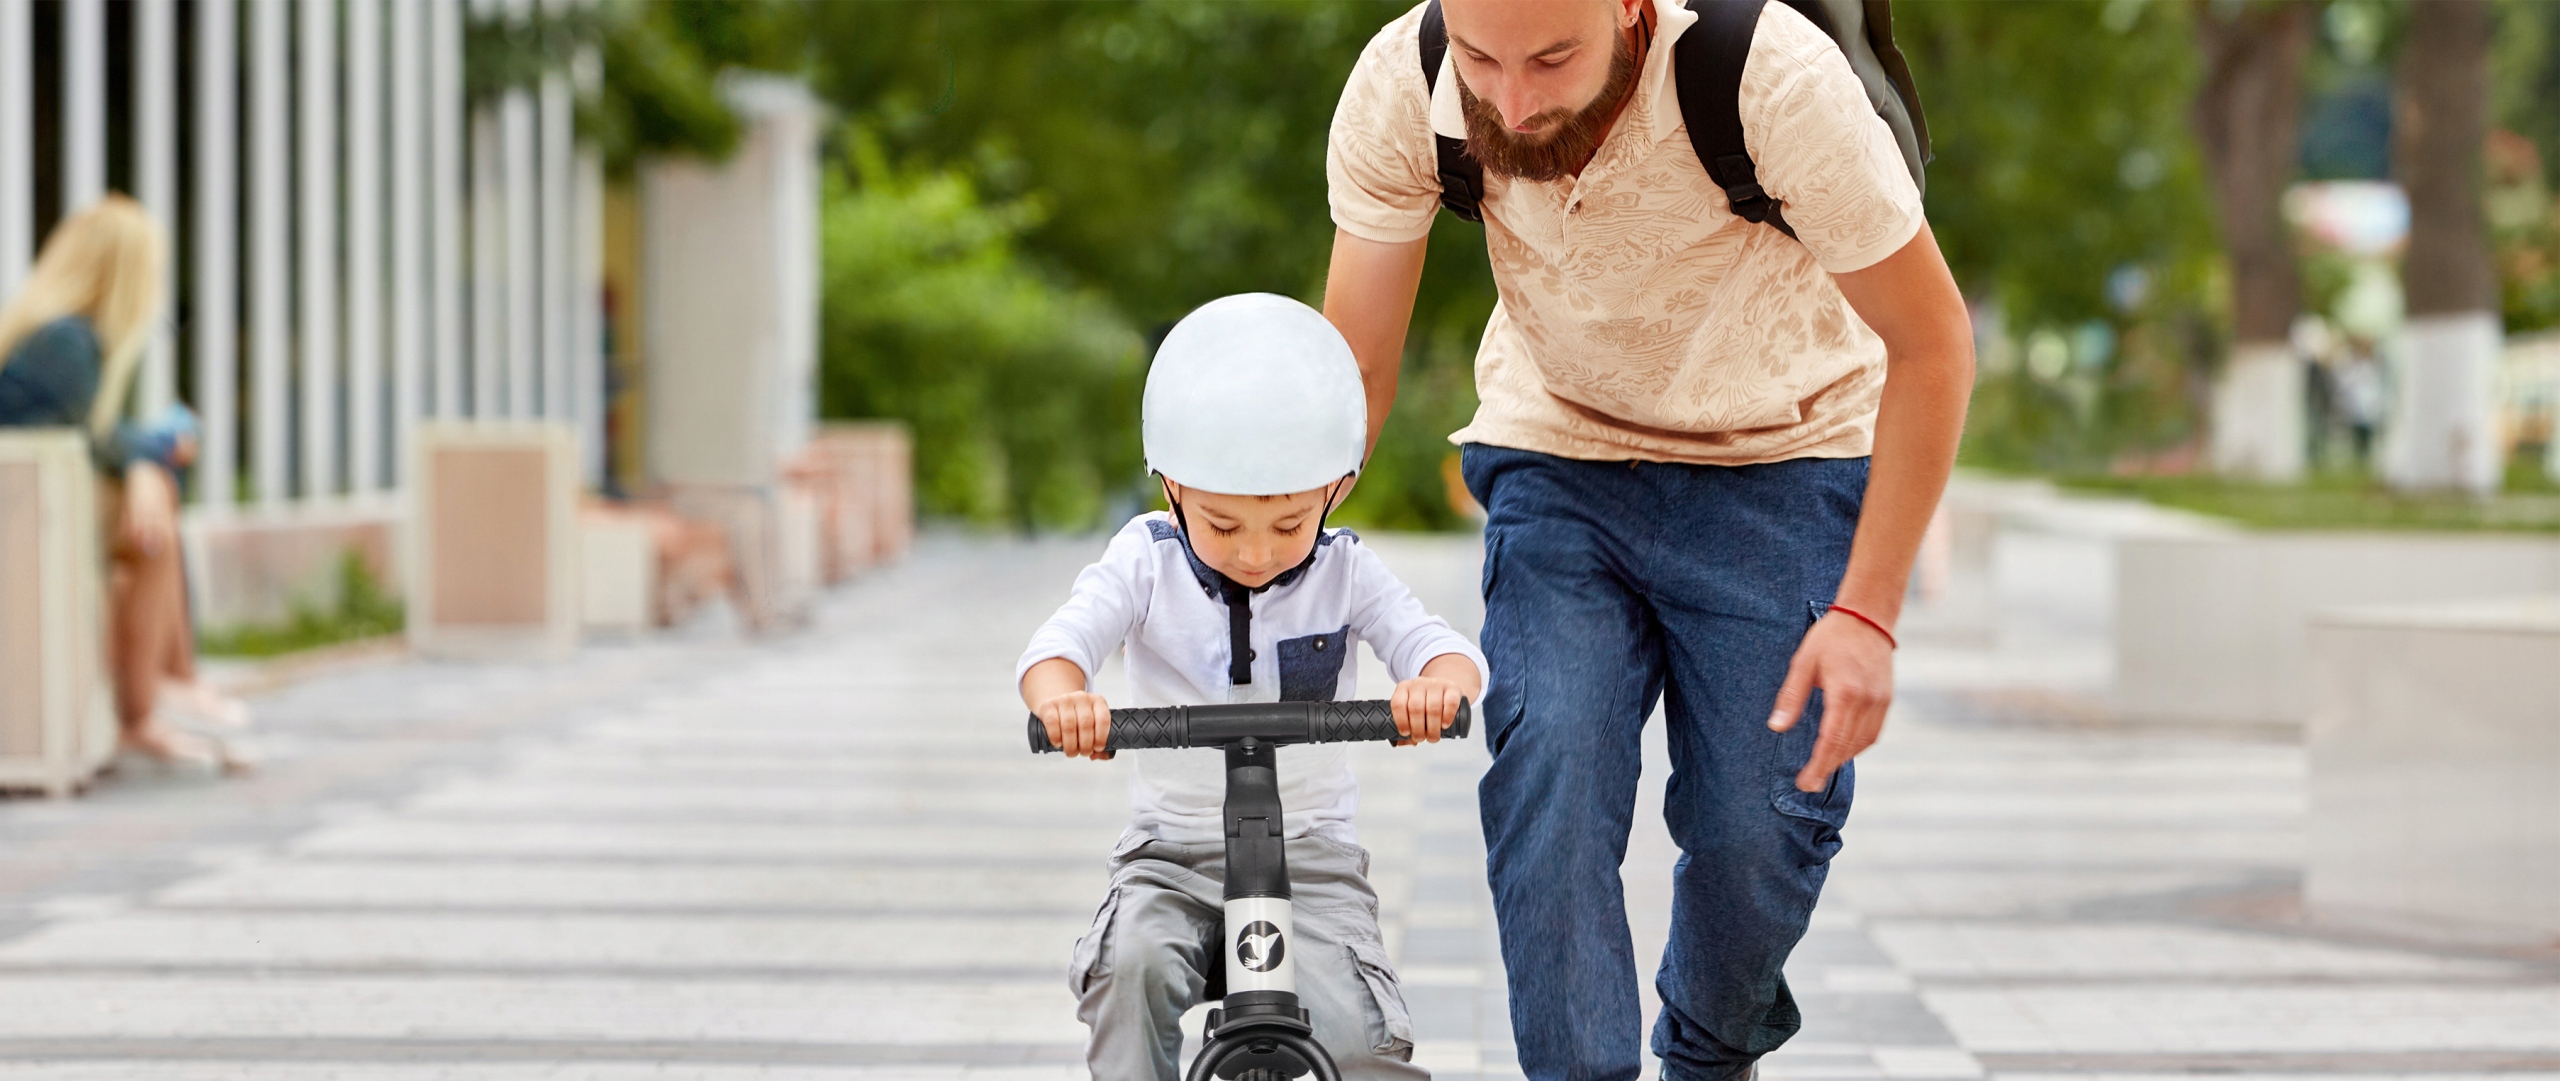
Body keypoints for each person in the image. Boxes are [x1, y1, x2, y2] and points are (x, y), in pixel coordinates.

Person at [1322, 1, 1975, 1077]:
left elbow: (1933, 342)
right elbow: (1354, 373)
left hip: (1784, 457)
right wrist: (1254, 568)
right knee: (1553, 768)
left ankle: (1710, 1051)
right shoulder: (1407, 79)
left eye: (1551, 59)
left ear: (1628, 10)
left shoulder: (1768, 79)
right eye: (1483, 58)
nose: (1514, 101)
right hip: (1559, 455)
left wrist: (1867, 612)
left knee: (1758, 834)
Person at [1018, 293, 1490, 1080]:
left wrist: (1433, 688)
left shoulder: (1344, 569)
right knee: (1126, 969)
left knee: (1361, 1037)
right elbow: (1059, 645)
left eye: (1289, 522)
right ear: (1170, 487)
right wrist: (1064, 697)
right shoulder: (1146, 561)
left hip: (1310, 854)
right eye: (1224, 525)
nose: (1257, 552)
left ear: (1335, 490)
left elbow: (1435, 645)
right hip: (1168, 853)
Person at [0, 195, 249, 767]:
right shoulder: (68, 342)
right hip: (26, 511)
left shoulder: (52, 334)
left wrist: (142, 457)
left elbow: (89, 433)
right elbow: (73, 443)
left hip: (31, 505)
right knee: (153, 506)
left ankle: (170, 683)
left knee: (154, 487)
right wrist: (146, 462)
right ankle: (149, 706)